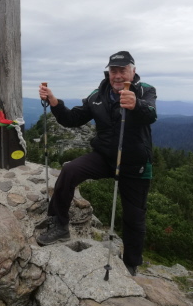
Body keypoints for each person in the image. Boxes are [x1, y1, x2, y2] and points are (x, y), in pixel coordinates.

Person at [36, 51, 157, 276]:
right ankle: (59, 224)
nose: (118, 75)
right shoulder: (97, 95)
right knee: (69, 170)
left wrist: (136, 105)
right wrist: (54, 102)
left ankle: (131, 262)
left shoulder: (144, 90)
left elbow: (150, 113)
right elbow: (72, 119)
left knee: (134, 215)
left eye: (122, 70)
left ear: (133, 70)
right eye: (113, 71)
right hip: (105, 156)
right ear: (108, 72)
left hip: (135, 163)